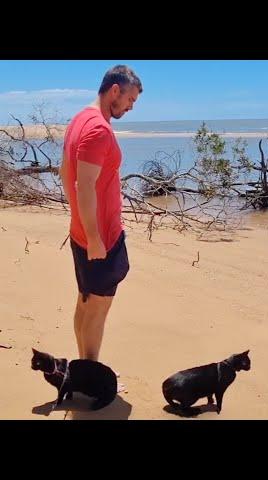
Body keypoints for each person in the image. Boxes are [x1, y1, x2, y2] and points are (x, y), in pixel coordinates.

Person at [59, 64, 142, 363]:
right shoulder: (98, 129)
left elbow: (64, 173)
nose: (131, 107)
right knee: (97, 308)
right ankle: (91, 378)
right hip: (100, 237)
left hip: (84, 231)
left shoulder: (79, 120)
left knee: (85, 304)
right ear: (115, 90)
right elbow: (84, 185)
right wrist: (94, 236)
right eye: (130, 99)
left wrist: (79, 222)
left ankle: (83, 369)